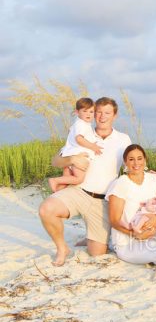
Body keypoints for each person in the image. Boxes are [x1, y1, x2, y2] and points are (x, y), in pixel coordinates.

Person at [39, 97, 131, 266]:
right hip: (78, 192)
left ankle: (90, 236)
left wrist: (149, 172)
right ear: (93, 113)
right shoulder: (83, 132)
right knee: (47, 209)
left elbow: (131, 166)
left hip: (102, 201)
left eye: (107, 113)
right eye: (99, 112)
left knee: (97, 253)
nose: (102, 116)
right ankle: (62, 248)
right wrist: (72, 159)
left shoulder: (123, 139)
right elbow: (56, 161)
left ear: (115, 115)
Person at [106, 144, 156, 264]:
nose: (136, 163)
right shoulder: (120, 184)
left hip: (153, 231)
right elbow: (114, 220)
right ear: (125, 162)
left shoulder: (154, 179)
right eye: (131, 159)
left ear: (145, 160)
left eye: (140, 158)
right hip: (127, 241)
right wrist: (135, 235)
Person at [48, 98, 103, 192]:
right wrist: (93, 146)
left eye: (91, 111)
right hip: (78, 155)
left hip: (69, 154)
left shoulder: (79, 124)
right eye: (85, 111)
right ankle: (54, 180)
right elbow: (79, 139)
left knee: (66, 181)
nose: (88, 114)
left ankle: (57, 192)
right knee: (79, 179)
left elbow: (72, 133)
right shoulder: (82, 124)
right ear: (77, 112)